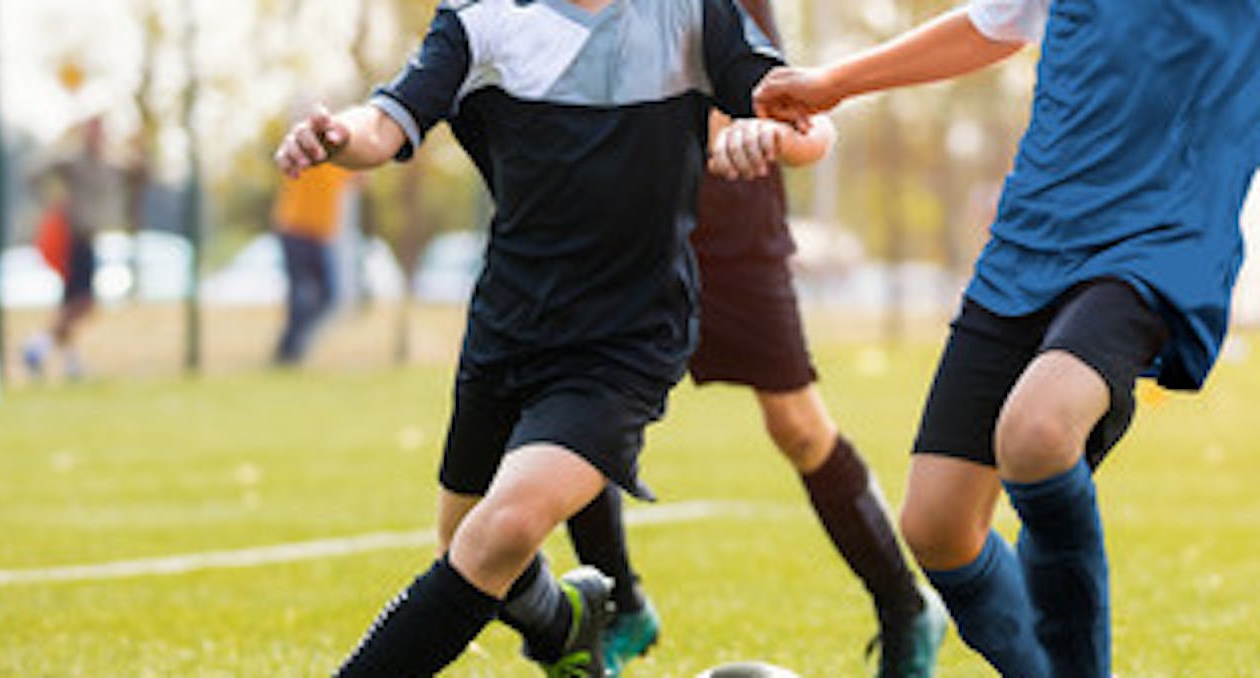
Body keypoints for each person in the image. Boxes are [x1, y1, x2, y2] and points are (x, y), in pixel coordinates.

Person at [274, 0, 830, 675]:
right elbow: (387, 122)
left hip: (628, 338)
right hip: (508, 328)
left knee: (501, 531)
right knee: (465, 541)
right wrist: (338, 138)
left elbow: (809, 124)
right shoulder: (480, 19)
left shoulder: (691, 12)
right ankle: (566, 625)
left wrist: (770, 136)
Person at [753, 1, 1260, 675]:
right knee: (936, 526)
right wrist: (833, 84)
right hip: (1031, 240)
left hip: (1159, 242)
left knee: (1038, 432)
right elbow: (993, 24)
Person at [561, 1, 945, 675]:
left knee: (797, 426)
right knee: (582, 412)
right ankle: (622, 604)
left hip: (735, 222)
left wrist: (744, 128)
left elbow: (772, 92)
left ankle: (905, 606)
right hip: (629, 226)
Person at [23, 115, 122, 380]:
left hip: (90, 238)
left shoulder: (106, 163)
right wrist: (52, 202)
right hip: (74, 239)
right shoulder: (73, 161)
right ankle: (37, 347)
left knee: (70, 305)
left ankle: (70, 362)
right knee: (84, 302)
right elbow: (34, 173)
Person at [271, 162, 352, 365]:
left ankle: (293, 347)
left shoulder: (342, 156)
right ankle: (289, 352)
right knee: (302, 294)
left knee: (328, 296)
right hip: (296, 228)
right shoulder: (310, 149)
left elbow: (359, 178)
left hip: (321, 234)